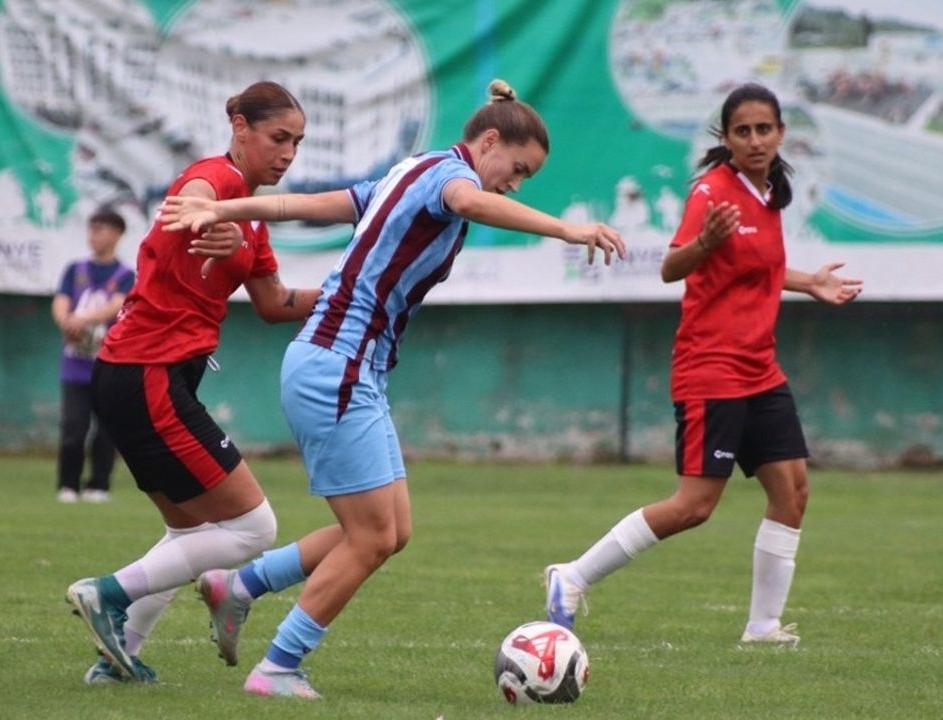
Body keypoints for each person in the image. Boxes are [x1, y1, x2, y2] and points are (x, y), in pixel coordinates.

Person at [158, 79, 626, 699]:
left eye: (527, 178)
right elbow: (471, 203)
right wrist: (567, 231)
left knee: (390, 531)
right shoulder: (447, 181)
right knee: (372, 536)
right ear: (488, 141)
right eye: (517, 169)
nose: (515, 184)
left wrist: (226, 209)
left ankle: (238, 587)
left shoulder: (413, 170)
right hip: (338, 368)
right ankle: (277, 669)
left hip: (346, 368)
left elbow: (308, 204)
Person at [543, 83, 862, 649]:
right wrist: (704, 245)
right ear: (727, 138)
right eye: (744, 131)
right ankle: (571, 577)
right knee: (694, 507)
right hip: (711, 368)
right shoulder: (712, 193)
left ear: (782, 133)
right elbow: (671, 268)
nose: (756, 139)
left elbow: (758, 267)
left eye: (765, 129)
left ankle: (762, 627)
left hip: (760, 368)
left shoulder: (770, 193)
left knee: (793, 490)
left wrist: (808, 280)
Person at [64, 80, 323, 685]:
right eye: (277, 137)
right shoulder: (216, 180)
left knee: (190, 532)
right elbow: (198, 194)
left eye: (298, 142)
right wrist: (211, 208)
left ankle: (117, 657)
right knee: (255, 528)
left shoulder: (252, 219)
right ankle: (109, 592)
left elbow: (276, 302)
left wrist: (354, 295)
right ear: (239, 128)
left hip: (140, 375)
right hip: (147, 372)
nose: (288, 153)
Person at [51, 207, 134, 504]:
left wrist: (83, 319)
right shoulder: (75, 270)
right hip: (76, 364)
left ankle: (99, 484)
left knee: (107, 430)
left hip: (110, 366)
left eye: (101, 229)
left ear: (117, 234)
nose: (94, 235)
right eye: (92, 228)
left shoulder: (125, 275)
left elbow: (116, 305)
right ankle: (68, 484)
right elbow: (61, 302)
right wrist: (65, 321)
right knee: (73, 427)